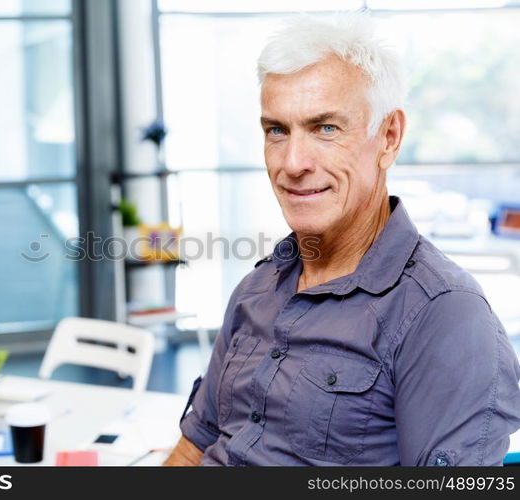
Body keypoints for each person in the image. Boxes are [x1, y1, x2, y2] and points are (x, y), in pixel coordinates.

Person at [163, 13, 520, 466]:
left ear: (388, 137)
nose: (292, 162)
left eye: (325, 128)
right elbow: (197, 444)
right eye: (277, 130)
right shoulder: (256, 289)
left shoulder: (445, 314)